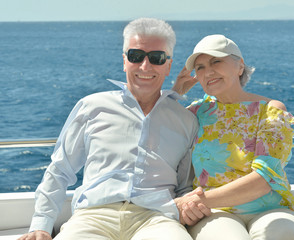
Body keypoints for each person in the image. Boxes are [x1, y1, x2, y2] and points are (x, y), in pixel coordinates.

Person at [18, 18, 210, 240]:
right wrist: (41, 225)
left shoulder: (186, 121)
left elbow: (184, 187)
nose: (145, 66)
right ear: (124, 61)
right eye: (136, 56)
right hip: (92, 217)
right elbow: (60, 170)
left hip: (157, 220)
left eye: (156, 58)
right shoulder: (92, 107)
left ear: (168, 65)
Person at [173, 34, 294, 240]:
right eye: (199, 67)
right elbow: (155, 136)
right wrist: (175, 93)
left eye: (216, 61)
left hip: (270, 208)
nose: (208, 71)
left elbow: (264, 179)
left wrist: (195, 201)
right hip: (216, 212)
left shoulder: (271, 110)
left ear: (240, 66)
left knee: (284, 233)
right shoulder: (195, 113)